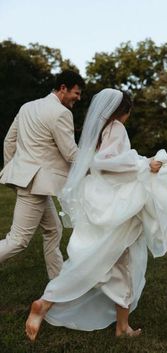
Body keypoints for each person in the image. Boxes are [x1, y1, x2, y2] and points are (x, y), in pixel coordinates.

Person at [25, 88, 167, 340]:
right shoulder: (116, 128)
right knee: (119, 261)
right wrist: (144, 164)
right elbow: (108, 162)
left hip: (100, 198)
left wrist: (141, 161)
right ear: (123, 112)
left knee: (98, 261)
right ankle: (113, 325)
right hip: (116, 204)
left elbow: (107, 161)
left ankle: (52, 304)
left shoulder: (100, 130)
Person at [0, 70, 85, 279]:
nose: (79, 98)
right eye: (76, 92)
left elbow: (9, 142)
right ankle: (58, 283)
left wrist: (15, 171)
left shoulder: (27, 107)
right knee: (18, 240)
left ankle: (57, 282)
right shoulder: (61, 113)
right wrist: (100, 164)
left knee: (53, 229)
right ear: (63, 88)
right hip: (35, 184)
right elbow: (71, 154)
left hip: (32, 181)